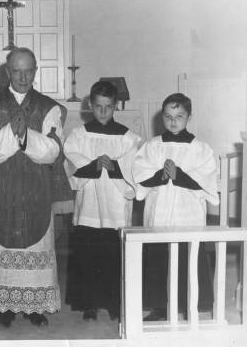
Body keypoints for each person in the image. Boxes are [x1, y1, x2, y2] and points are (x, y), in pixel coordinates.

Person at [0, 47, 66, 328]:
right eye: (16, 70)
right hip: (0, 186)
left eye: (29, 70)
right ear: (7, 72)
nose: (23, 76)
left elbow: (53, 150)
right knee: (2, 244)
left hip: (36, 186)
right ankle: (5, 309)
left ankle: (35, 307)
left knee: (37, 245)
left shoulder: (49, 107)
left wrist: (25, 136)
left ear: (36, 71)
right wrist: (11, 133)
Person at [132, 93, 219, 320]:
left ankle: (191, 304)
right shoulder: (152, 146)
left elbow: (207, 181)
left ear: (189, 117)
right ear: (162, 117)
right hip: (159, 210)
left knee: (188, 257)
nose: (173, 121)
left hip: (187, 212)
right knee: (159, 257)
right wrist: (160, 175)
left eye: (179, 116)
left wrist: (179, 175)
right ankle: (160, 306)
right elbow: (139, 175)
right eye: (168, 116)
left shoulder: (200, 148)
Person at [63, 81, 141, 321]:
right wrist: (92, 165)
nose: (104, 112)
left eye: (108, 106)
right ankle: (89, 303)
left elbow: (134, 170)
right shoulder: (79, 135)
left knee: (114, 255)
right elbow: (71, 162)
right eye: (99, 107)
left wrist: (115, 167)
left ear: (116, 106)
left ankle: (115, 302)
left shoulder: (128, 138)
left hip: (115, 206)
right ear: (90, 105)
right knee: (88, 254)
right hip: (89, 205)